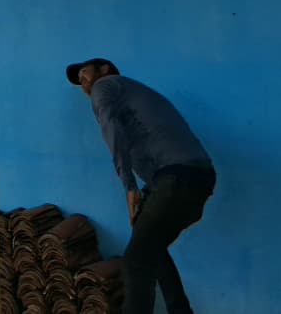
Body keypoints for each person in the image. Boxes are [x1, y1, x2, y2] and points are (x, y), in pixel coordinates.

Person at [66, 58, 216, 314]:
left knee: (136, 260)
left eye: (84, 72)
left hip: (177, 177)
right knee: (150, 248)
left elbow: (112, 131)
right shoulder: (131, 93)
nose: (83, 80)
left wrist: (130, 186)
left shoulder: (105, 86)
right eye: (79, 80)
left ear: (104, 68)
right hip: (189, 177)